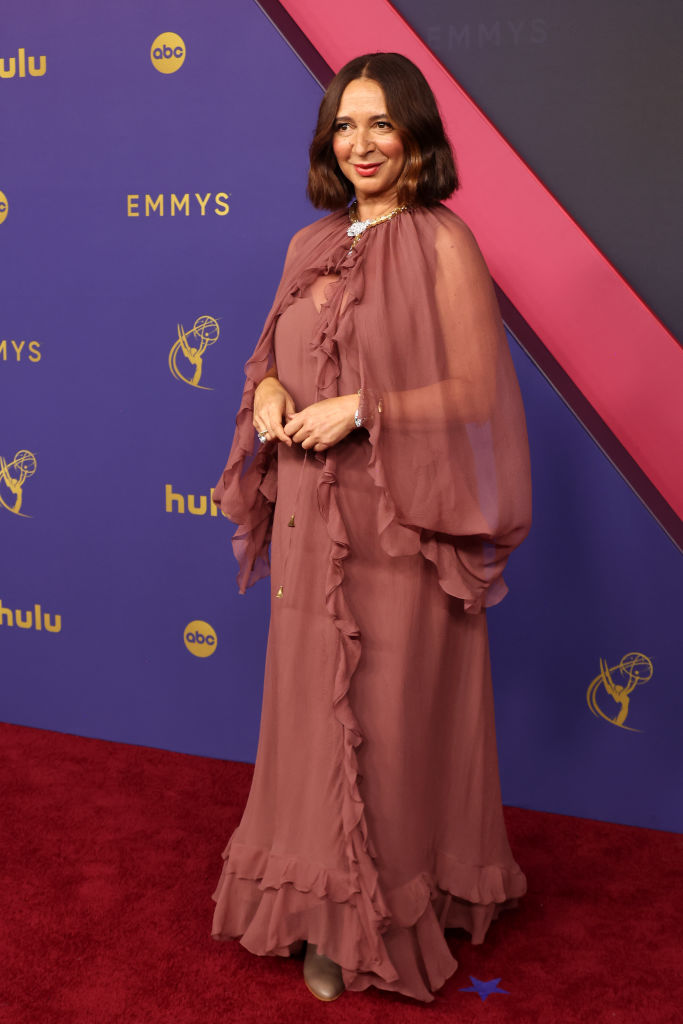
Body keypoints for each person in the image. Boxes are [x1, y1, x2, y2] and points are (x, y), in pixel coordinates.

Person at [210, 51, 532, 1004]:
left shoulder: (444, 244)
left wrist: (364, 409)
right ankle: (321, 908)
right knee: (313, 723)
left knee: (384, 727)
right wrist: (266, 388)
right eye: (345, 125)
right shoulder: (308, 245)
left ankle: (380, 914)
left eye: (380, 125)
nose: (361, 144)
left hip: (397, 529)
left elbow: (475, 395)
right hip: (313, 523)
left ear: (414, 138)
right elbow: (266, 360)